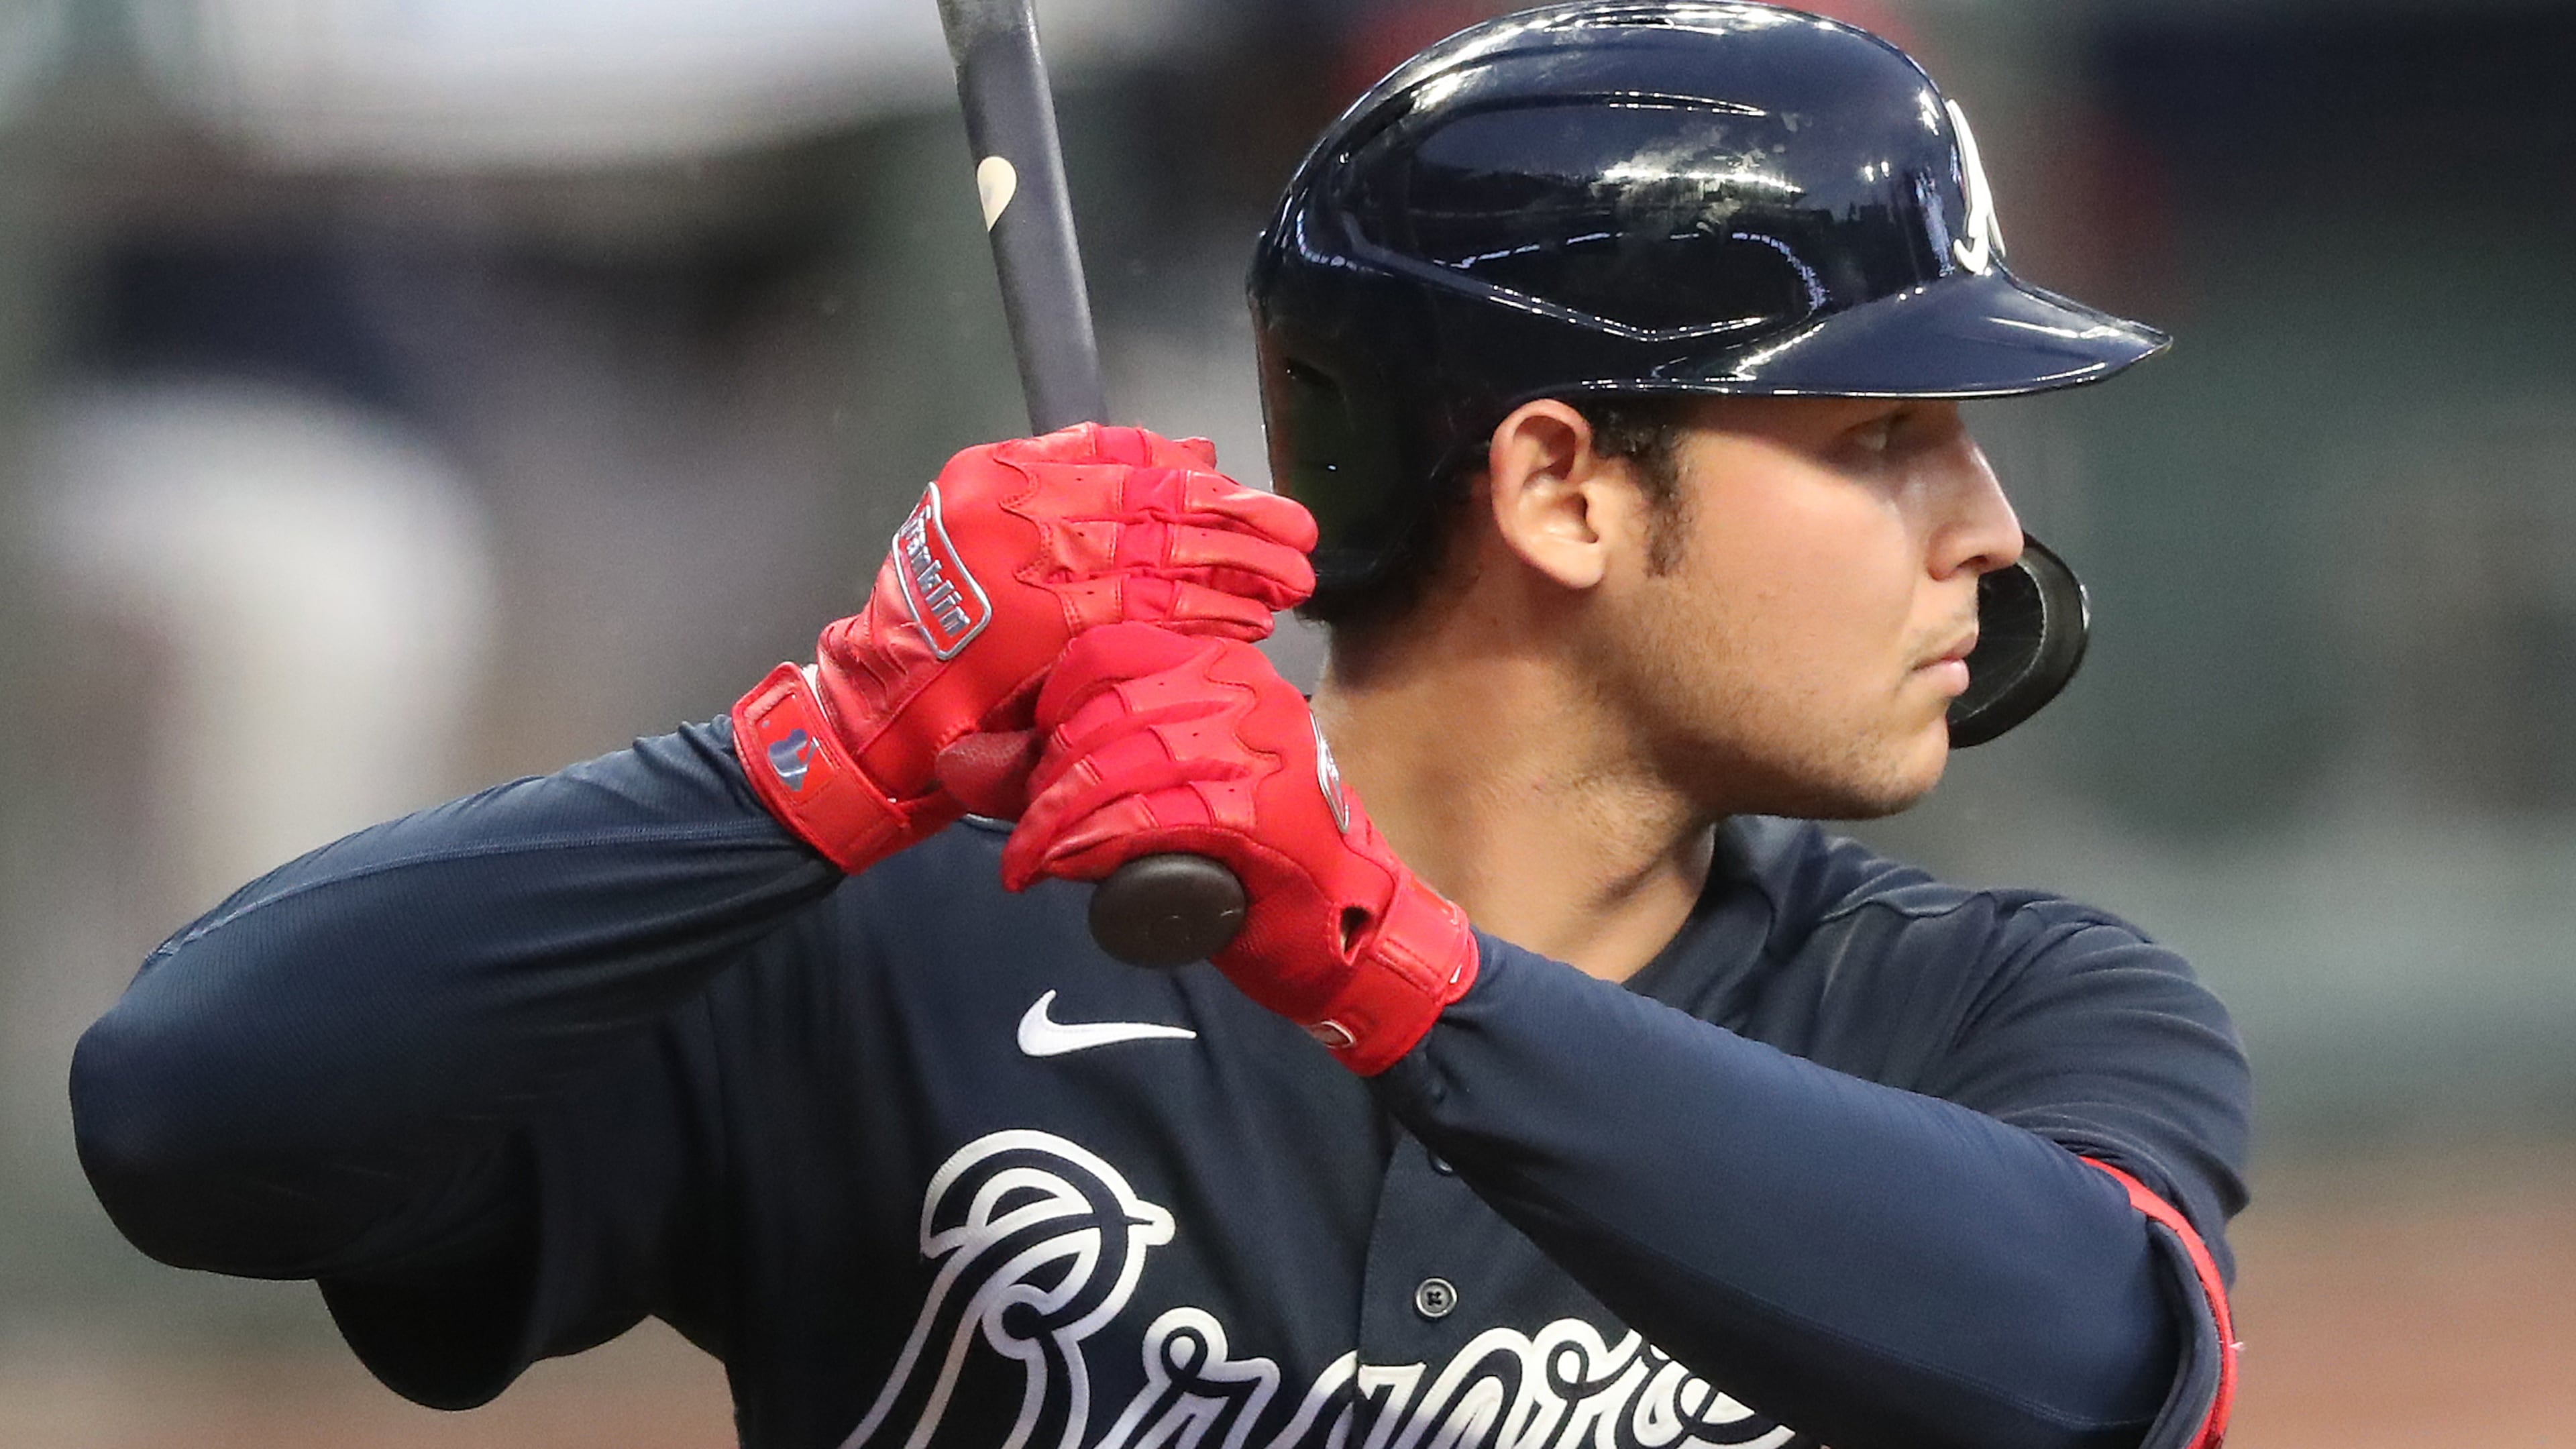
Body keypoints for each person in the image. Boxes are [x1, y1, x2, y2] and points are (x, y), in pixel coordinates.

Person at [69, 7, 2250, 1449]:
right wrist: (815, 751)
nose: (1984, 528)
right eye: (1884, 438)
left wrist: (1378, 967)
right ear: (1561, 487)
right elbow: (194, 1122)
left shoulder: (2006, 1008)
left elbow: (2089, 1375)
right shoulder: (904, 945)